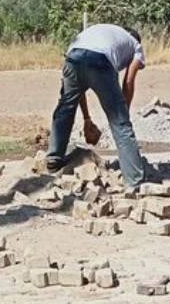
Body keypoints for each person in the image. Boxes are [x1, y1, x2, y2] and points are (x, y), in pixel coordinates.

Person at [46, 23, 147, 188]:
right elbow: (128, 80)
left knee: (65, 108)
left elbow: (78, 91)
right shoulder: (135, 45)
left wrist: (87, 119)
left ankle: (53, 160)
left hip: (73, 56)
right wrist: (121, 114)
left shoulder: (105, 32)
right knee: (121, 124)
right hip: (100, 61)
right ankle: (135, 180)